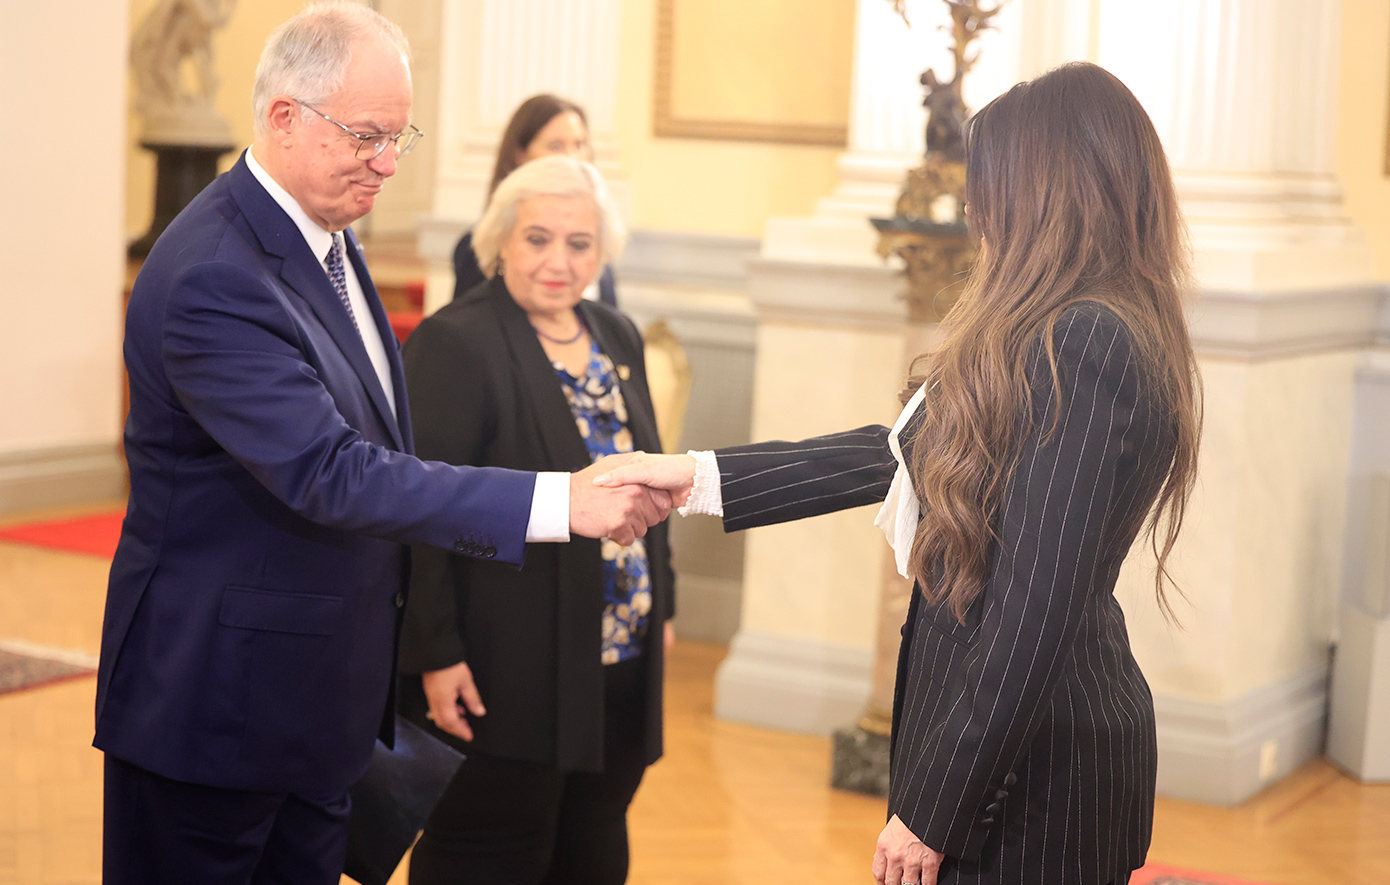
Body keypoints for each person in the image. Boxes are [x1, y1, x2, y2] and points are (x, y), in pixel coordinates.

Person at [98, 5, 668, 884]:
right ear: (284, 116)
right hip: (216, 708)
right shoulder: (216, 272)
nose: (388, 162)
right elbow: (331, 470)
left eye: (398, 135)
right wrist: (561, 498)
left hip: (315, 705)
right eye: (366, 135)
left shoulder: (327, 237)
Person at [596, 62, 1201, 885]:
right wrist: (695, 476)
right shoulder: (1064, 327)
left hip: (1033, 777)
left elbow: (1035, 609)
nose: (976, 213)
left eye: (989, 188)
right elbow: (898, 452)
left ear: (1048, 191)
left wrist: (933, 810)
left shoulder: (1084, 340)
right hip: (1012, 754)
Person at [397, 155, 673, 885]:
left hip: (618, 657)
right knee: (487, 851)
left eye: (579, 243)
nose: (559, 261)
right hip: (504, 664)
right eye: (538, 238)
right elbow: (418, 512)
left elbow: (650, 475)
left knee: (594, 847)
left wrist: (664, 607)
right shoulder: (456, 341)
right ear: (500, 242)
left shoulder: (616, 334)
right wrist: (433, 653)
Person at [452, 94, 619, 307]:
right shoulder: (477, 247)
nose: (571, 158)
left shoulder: (596, 245)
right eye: (556, 146)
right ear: (521, 155)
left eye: (579, 145)